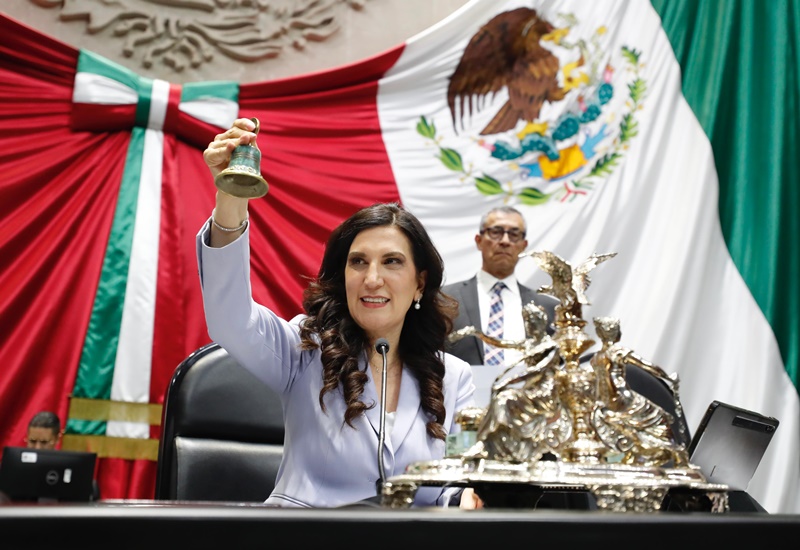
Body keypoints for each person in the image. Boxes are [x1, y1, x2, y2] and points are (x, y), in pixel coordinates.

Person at [196, 118, 478, 509]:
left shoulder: (455, 378)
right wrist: (231, 196)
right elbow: (230, 318)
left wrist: (468, 498)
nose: (372, 279)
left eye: (392, 262)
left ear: (419, 283)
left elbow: (453, 487)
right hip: (306, 536)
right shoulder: (304, 349)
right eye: (358, 262)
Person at [442, 206, 558, 367]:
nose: (505, 241)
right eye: (496, 232)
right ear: (479, 241)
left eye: (514, 234)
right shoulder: (444, 300)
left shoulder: (549, 309)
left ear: (524, 245)